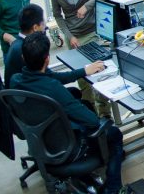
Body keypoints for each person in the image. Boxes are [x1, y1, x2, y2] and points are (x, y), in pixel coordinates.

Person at [11, 33, 127, 194]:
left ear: (23, 57)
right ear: (47, 59)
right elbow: (92, 121)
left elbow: (54, 77)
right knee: (114, 134)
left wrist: (85, 71)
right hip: (68, 149)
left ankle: (89, 178)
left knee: (81, 100)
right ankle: (113, 188)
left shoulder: (15, 80)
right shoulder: (53, 89)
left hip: (42, 142)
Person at [51, 0, 116, 119]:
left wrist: (88, 5)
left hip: (92, 32)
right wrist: (69, 36)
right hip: (73, 37)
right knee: (83, 79)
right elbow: (58, 16)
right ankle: (90, 113)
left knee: (100, 73)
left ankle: (105, 114)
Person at [3, 4, 105, 90]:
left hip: (22, 98)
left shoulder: (17, 44)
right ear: (35, 28)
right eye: (43, 24)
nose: (45, 27)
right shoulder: (28, 49)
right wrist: (85, 71)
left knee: (74, 91)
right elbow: (51, 77)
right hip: (34, 98)